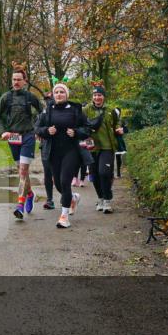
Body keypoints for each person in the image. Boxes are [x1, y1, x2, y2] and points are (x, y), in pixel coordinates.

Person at [35, 83, 98, 228]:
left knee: (65, 181)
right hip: (53, 152)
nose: (59, 94)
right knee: (58, 184)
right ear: (53, 95)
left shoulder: (75, 109)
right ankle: (73, 198)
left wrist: (76, 132)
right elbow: (37, 128)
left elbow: (87, 128)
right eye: (56, 92)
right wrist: (46, 131)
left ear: (66, 94)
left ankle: (64, 217)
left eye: (62, 92)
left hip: (71, 151)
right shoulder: (48, 110)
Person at [0, 64, 43, 220]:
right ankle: (30, 193)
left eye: (19, 79)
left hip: (28, 136)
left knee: (22, 170)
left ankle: (20, 204)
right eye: (14, 79)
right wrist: (3, 131)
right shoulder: (6, 97)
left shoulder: (30, 97)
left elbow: (42, 112)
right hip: (13, 137)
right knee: (22, 171)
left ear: (24, 81)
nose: (16, 82)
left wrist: (37, 129)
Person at [82, 83, 124, 214]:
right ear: (92, 97)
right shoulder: (86, 110)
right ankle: (100, 198)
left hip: (107, 146)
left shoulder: (111, 110)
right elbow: (79, 123)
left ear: (104, 96)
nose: (97, 97)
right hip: (91, 146)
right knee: (94, 175)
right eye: (95, 95)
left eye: (99, 95)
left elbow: (117, 122)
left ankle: (107, 200)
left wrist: (119, 128)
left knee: (104, 173)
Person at [39, 92, 56, 210]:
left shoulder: (64, 112)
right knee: (47, 174)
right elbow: (37, 128)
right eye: (46, 100)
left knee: (60, 176)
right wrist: (45, 130)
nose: (48, 101)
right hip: (46, 147)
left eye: (50, 99)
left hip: (61, 147)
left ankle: (68, 197)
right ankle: (49, 200)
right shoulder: (43, 114)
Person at [115, 114, 127, 178]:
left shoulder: (121, 121)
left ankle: (118, 173)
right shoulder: (109, 121)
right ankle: (110, 174)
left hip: (119, 141)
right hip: (110, 141)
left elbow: (126, 130)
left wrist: (121, 130)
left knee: (118, 157)